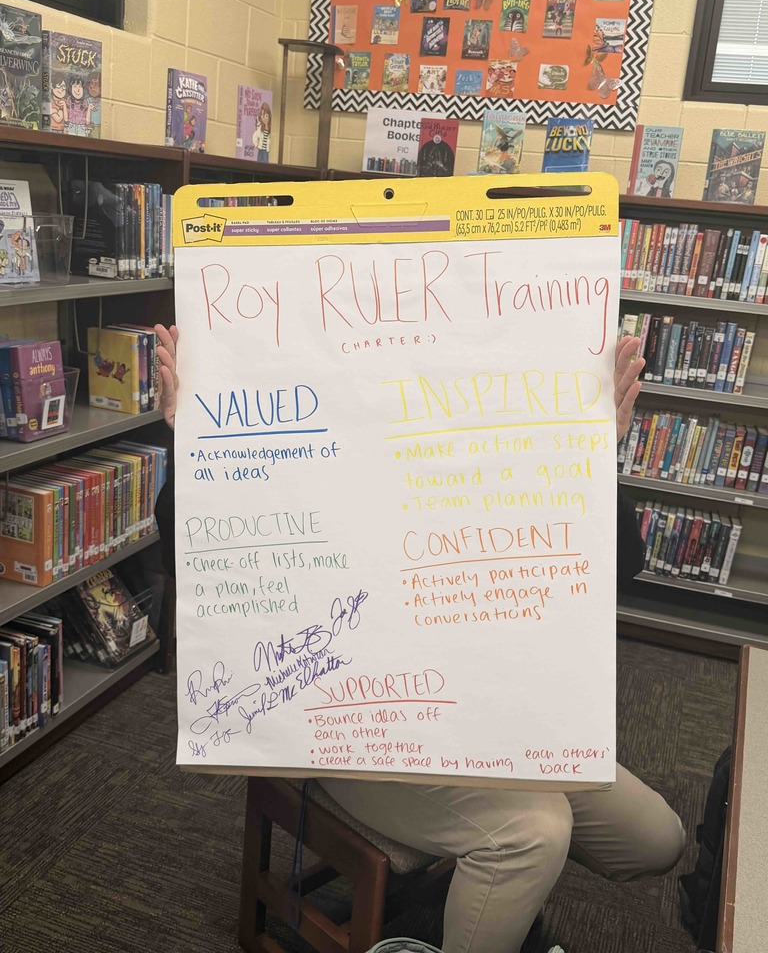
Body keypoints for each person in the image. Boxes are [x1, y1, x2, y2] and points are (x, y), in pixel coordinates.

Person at [152, 326, 685, 953]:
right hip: (351, 716)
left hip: (483, 697)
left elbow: (619, 565)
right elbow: (186, 552)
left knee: (656, 838)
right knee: (535, 831)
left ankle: (479, 891)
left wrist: (592, 456)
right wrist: (196, 441)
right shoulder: (314, 403)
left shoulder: (492, 412)